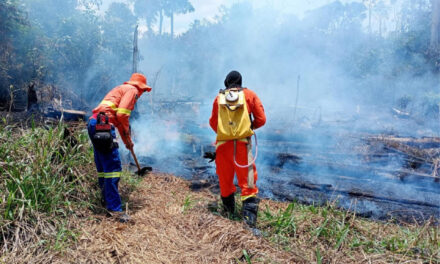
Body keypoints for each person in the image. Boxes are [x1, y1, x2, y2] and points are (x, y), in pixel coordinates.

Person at [87, 73, 152, 222]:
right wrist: (128, 139)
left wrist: (126, 140)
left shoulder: (120, 88)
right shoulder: (132, 90)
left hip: (94, 124)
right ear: (140, 88)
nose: (140, 95)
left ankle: (105, 200)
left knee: (104, 168)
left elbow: (117, 118)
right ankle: (115, 210)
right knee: (113, 169)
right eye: (142, 91)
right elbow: (122, 115)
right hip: (103, 127)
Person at [208, 70, 266, 229]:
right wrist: (248, 127)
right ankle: (249, 225)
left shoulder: (218, 98)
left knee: (225, 181)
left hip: (222, 145)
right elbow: (262, 119)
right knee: (247, 182)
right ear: (240, 83)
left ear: (226, 83)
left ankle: (228, 217)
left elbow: (213, 122)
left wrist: (225, 134)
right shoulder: (250, 95)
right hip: (242, 145)